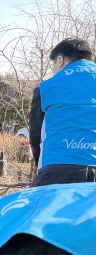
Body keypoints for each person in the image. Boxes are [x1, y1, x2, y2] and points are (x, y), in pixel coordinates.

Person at [28, 37, 96, 186]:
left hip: (57, 169)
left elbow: (35, 135)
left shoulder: (46, 88)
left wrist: (43, 168)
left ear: (60, 60)